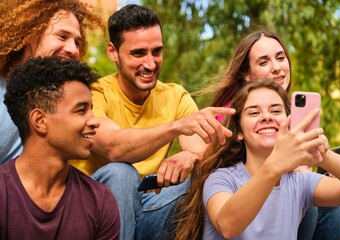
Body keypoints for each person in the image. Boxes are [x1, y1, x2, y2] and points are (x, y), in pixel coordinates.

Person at [69, 4, 234, 240]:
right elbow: (114, 147)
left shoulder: (175, 96)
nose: (150, 64)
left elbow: (206, 152)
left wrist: (194, 157)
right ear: (112, 52)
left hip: (148, 208)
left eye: (156, 52)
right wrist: (176, 127)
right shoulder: (94, 93)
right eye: (138, 54)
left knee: (206, 181)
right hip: (94, 211)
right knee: (121, 174)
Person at [175, 79, 340, 240]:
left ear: (289, 122)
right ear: (239, 132)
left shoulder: (300, 183)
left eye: (276, 110)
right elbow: (228, 225)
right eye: (254, 112)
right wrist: (276, 165)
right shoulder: (221, 179)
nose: (266, 117)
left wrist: (323, 156)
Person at [207, 29, 340, 240]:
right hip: (239, 200)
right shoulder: (233, 112)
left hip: (287, 193)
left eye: (281, 58)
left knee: (333, 208)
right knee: (310, 210)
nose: (277, 68)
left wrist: (324, 158)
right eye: (264, 62)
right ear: (246, 73)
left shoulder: (292, 114)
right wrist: (283, 164)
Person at [0, 56, 120, 239]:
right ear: (40, 121)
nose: (95, 121)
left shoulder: (101, 201)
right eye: (81, 110)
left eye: (92, 109)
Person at [0, 0, 104, 163]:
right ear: (30, 35)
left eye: (77, 42)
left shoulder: (70, 99)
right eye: (62, 36)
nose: (73, 50)